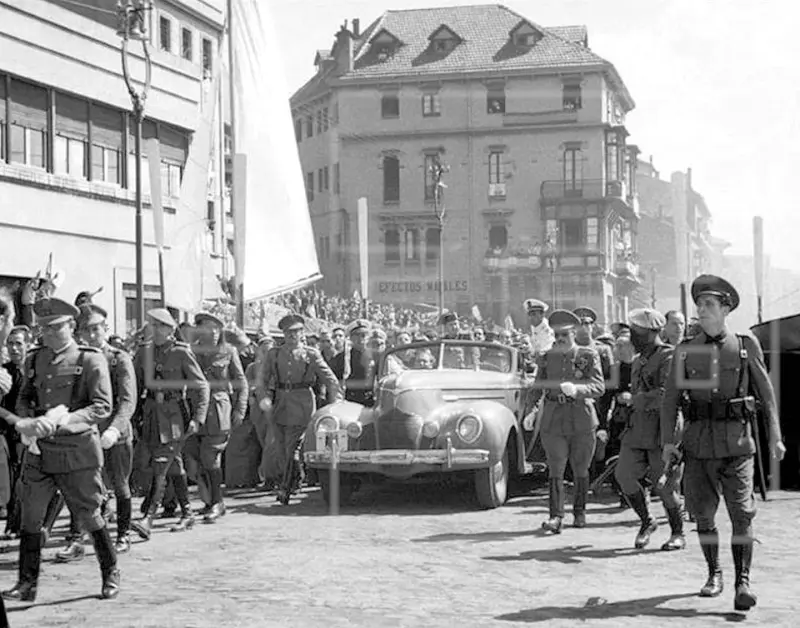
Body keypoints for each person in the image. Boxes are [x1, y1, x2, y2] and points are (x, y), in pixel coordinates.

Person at [661, 275, 785, 611]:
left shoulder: (744, 345)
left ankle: (742, 581)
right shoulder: (687, 349)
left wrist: (775, 434)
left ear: (725, 309)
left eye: (709, 305)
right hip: (699, 445)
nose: (702, 310)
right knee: (703, 515)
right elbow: (671, 399)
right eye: (699, 305)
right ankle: (713, 572)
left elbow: (766, 392)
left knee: (742, 515)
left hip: (738, 445)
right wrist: (667, 443)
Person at [2, 297, 119, 602]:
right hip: (40, 452)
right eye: (45, 329)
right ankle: (27, 583)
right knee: (31, 516)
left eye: (56, 328)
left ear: (71, 326)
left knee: (90, 514)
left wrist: (67, 419)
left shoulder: (90, 359)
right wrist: (29, 422)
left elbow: (102, 406)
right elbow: (24, 398)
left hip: (76, 451)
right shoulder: (34, 359)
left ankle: (110, 573)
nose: (50, 334)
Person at [55, 305, 138, 563]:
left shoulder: (118, 359)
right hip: (86, 435)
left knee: (120, 485)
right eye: (86, 330)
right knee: (80, 489)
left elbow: (127, 400)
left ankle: (122, 534)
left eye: (96, 328)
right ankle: (76, 539)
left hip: (116, 434)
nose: (92, 335)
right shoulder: (80, 359)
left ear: (106, 328)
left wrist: (115, 429)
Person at [130, 309, 210, 540]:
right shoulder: (144, 352)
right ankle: (187, 512)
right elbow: (134, 387)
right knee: (173, 465)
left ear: (170, 329)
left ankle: (149, 517)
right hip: (151, 414)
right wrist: (134, 418)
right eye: (151, 326)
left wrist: (198, 417)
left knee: (161, 463)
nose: (153, 331)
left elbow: (201, 386)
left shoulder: (181, 353)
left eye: (159, 326)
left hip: (175, 416)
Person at [527, 310, 605, 533]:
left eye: (564, 335)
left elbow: (598, 386)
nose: (560, 340)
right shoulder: (547, 357)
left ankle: (579, 512)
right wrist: (531, 412)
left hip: (581, 417)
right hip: (554, 418)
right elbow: (538, 387)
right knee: (556, 467)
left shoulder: (587, 355)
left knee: (581, 468)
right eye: (557, 335)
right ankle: (556, 516)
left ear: (574, 333)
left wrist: (579, 389)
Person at [614, 309, 685, 551]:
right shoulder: (638, 360)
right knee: (624, 475)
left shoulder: (669, 356)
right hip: (637, 430)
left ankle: (678, 532)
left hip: (662, 430)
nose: (632, 336)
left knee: (665, 486)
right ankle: (647, 521)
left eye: (637, 332)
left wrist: (635, 400)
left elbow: (667, 394)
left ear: (652, 333)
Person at [255, 314, 342, 505]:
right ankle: (296, 479)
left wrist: (335, 403)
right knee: (281, 449)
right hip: (279, 405)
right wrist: (263, 399)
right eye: (288, 332)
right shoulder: (274, 354)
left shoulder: (310, 354)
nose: (292, 336)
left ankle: (285, 488)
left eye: (296, 332)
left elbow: (330, 379)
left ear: (302, 333)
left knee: (292, 447)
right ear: (283, 334)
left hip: (302, 404)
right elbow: (261, 380)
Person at [185, 312, 247, 523]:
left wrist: (240, 409)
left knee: (211, 457)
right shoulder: (189, 352)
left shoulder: (228, 351)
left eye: (216, 328)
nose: (212, 332)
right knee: (196, 458)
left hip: (218, 410)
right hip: (193, 410)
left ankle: (217, 502)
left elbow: (241, 382)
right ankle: (208, 500)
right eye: (207, 327)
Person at [329, 319, 377, 407]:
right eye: (357, 335)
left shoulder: (375, 355)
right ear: (350, 338)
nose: (361, 338)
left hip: (372, 399)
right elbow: (334, 380)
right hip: (352, 400)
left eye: (364, 335)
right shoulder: (343, 358)